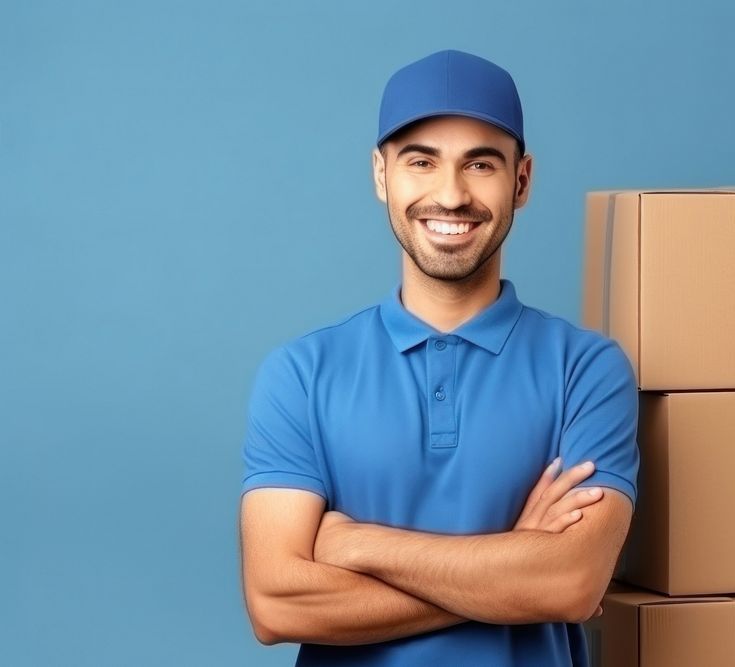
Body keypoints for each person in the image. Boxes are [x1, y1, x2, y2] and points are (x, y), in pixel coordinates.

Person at [239, 49, 639, 667]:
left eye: (480, 164)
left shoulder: (586, 370)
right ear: (381, 175)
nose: (450, 195)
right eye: (420, 161)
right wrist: (514, 562)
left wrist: (360, 545)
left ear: (522, 180)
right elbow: (276, 606)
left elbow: (571, 584)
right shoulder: (300, 375)